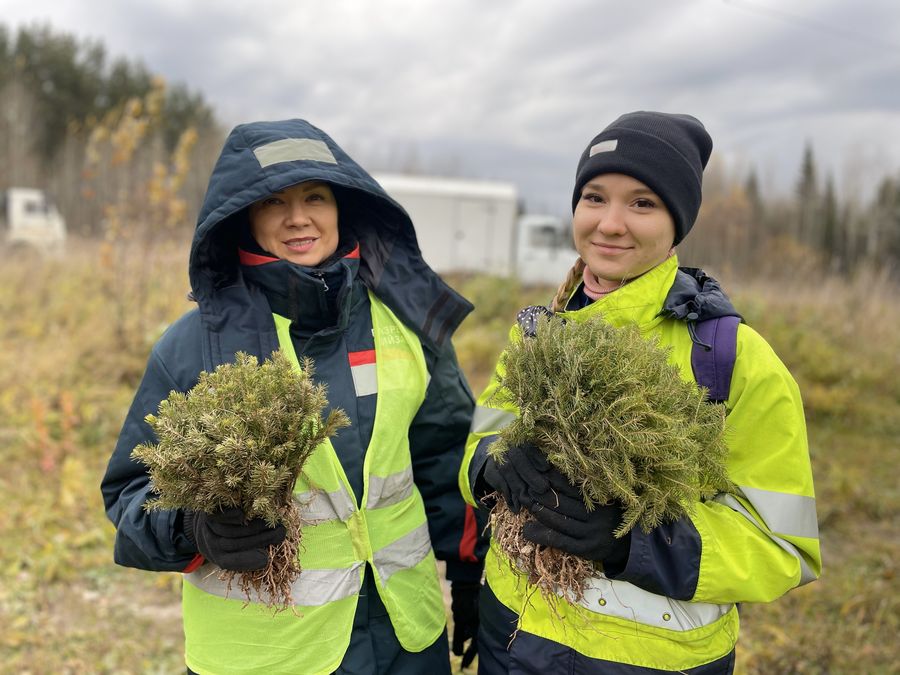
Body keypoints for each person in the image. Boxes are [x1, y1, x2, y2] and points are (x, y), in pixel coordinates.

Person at [101, 118, 487, 675]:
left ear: (342, 208)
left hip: (408, 641)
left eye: (315, 197)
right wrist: (193, 528)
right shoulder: (192, 346)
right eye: (273, 202)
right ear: (243, 218)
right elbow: (129, 492)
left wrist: (472, 576)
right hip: (270, 656)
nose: (298, 216)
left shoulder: (404, 323)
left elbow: (445, 459)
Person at [459, 111, 822, 674]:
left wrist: (633, 543)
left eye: (643, 203)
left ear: (678, 221)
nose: (609, 223)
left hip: (651, 663)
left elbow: (783, 547)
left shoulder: (733, 359)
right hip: (515, 642)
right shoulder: (540, 332)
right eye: (595, 197)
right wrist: (492, 466)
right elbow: (478, 444)